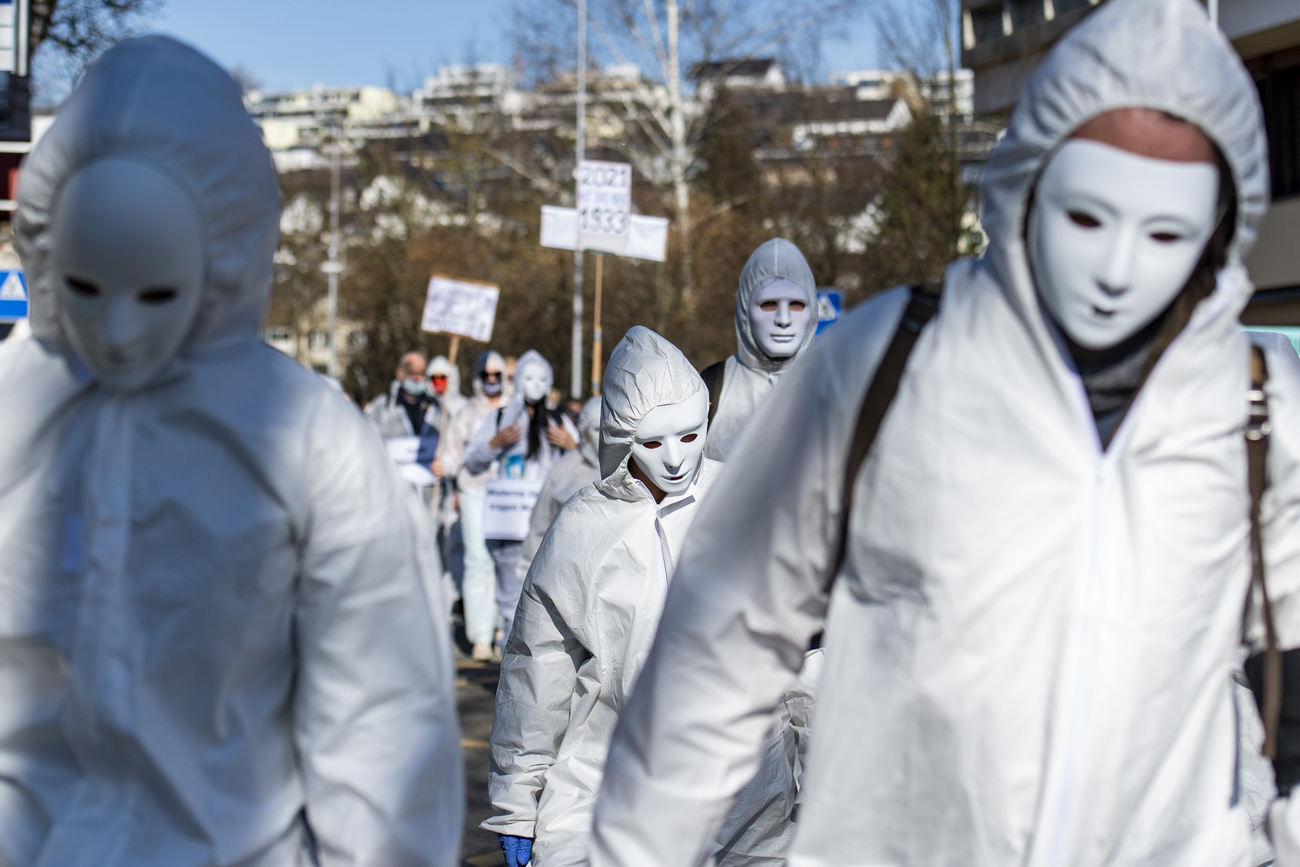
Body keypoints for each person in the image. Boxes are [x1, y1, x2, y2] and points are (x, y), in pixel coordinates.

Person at [590, 2, 1300, 865]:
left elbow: (1289, 659)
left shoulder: (1259, 409)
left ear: (1219, 230)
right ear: (1030, 185)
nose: (1119, 270)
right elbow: (723, 642)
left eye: (1166, 231)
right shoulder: (887, 370)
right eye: (1087, 217)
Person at [0, 36, 462, 866]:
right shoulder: (10, 409)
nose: (118, 331)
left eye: (155, 292)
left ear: (219, 260)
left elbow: (382, 727)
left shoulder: (308, 443)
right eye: (86, 286)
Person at [483, 326, 719, 867]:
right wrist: (519, 798)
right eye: (653, 442)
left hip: (740, 788)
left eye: (689, 436)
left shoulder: (745, 499)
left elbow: (801, 647)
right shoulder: (583, 528)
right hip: (605, 779)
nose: (676, 460)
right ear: (619, 436)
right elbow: (539, 667)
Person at [464, 349, 578, 648]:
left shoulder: (559, 421)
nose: (535, 384)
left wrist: (572, 444)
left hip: (547, 521)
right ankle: (510, 657)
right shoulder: (501, 417)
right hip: (510, 522)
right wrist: (494, 444)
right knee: (511, 593)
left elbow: (585, 463)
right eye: (528, 377)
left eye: (542, 378)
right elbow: (472, 463)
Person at [701, 238, 817, 463]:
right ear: (744, 310)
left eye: (796, 304)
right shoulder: (708, 388)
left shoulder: (840, 385)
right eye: (768, 304)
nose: (783, 319)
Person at [440, 349, 509, 661]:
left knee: (503, 559)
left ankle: (501, 628)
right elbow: (452, 452)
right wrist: (444, 464)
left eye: (497, 375)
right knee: (477, 559)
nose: (492, 381)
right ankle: (480, 634)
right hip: (473, 492)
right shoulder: (466, 414)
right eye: (487, 376)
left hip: (508, 495)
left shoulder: (514, 409)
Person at [515, 395, 603, 582]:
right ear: (585, 432)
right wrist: (527, 571)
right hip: (565, 575)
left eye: (611, 429)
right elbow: (540, 524)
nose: (604, 435)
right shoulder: (564, 468)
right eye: (597, 429)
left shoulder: (634, 470)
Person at [365, 350, 432, 439]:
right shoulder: (383, 406)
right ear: (399, 374)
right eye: (411, 373)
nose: (417, 378)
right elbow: (369, 437)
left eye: (421, 373)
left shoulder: (435, 407)